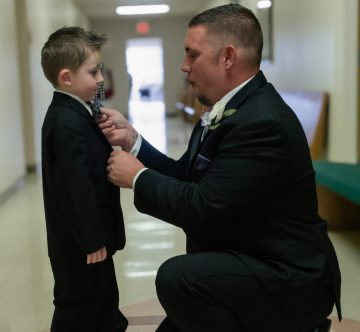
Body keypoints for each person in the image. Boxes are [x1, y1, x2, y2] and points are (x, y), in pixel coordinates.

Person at [101, 4, 341, 332]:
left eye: (192, 54)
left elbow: (201, 206)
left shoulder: (262, 122)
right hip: (248, 255)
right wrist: (134, 142)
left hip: (288, 279)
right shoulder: (229, 107)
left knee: (177, 279)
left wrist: (138, 177)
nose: (184, 67)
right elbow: (188, 176)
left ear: (227, 57)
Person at [41, 26, 128, 332]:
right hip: (82, 243)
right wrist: (91, 239)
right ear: (67, 78)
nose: (101, 78)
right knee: (79, 305)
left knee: (100, 298)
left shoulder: (76, 112)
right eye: (94, 72)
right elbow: (73, 187)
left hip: (90, 237)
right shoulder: (66, 122)